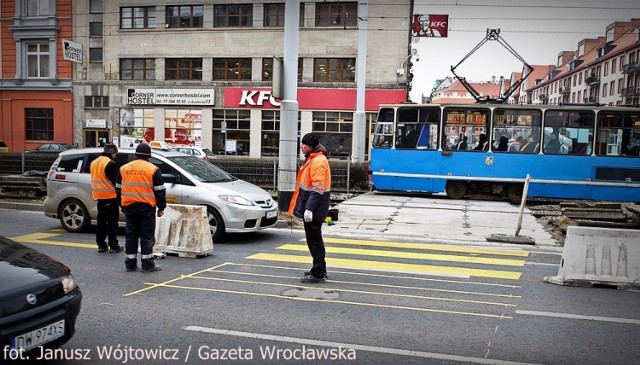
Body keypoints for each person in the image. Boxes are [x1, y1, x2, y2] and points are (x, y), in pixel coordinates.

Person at [116, 143, 166, 272]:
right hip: (146, 208)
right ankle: (147, 264)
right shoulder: (153, 169)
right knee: (147, 236)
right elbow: (159, 190)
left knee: (131, 235)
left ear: (136, 154)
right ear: (149, 155)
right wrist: (161, 207)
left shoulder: (124, 168)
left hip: (129, 207)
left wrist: (121, 205)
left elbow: (118, 189)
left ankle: (130, 263)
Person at [289, 133, 331, 284]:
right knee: (315, 240)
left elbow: (318, 188)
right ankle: (320, 269)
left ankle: (318, 272)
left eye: (304, 144)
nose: (302, 146)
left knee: (314, 241)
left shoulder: (317, 161)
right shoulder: (313, 158)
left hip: (315, 209)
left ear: (311, 146)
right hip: (314, 208)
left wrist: (309, 209)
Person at [90, 143, 123, 253]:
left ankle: (101, 245)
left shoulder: (94, 162)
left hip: (99, 197)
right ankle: (113, 245)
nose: (116, 156)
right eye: (115, 154)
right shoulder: (110, 164)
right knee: (112, 222)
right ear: (112, 153)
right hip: (110, 196)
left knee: (101, 222)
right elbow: (116, 182)